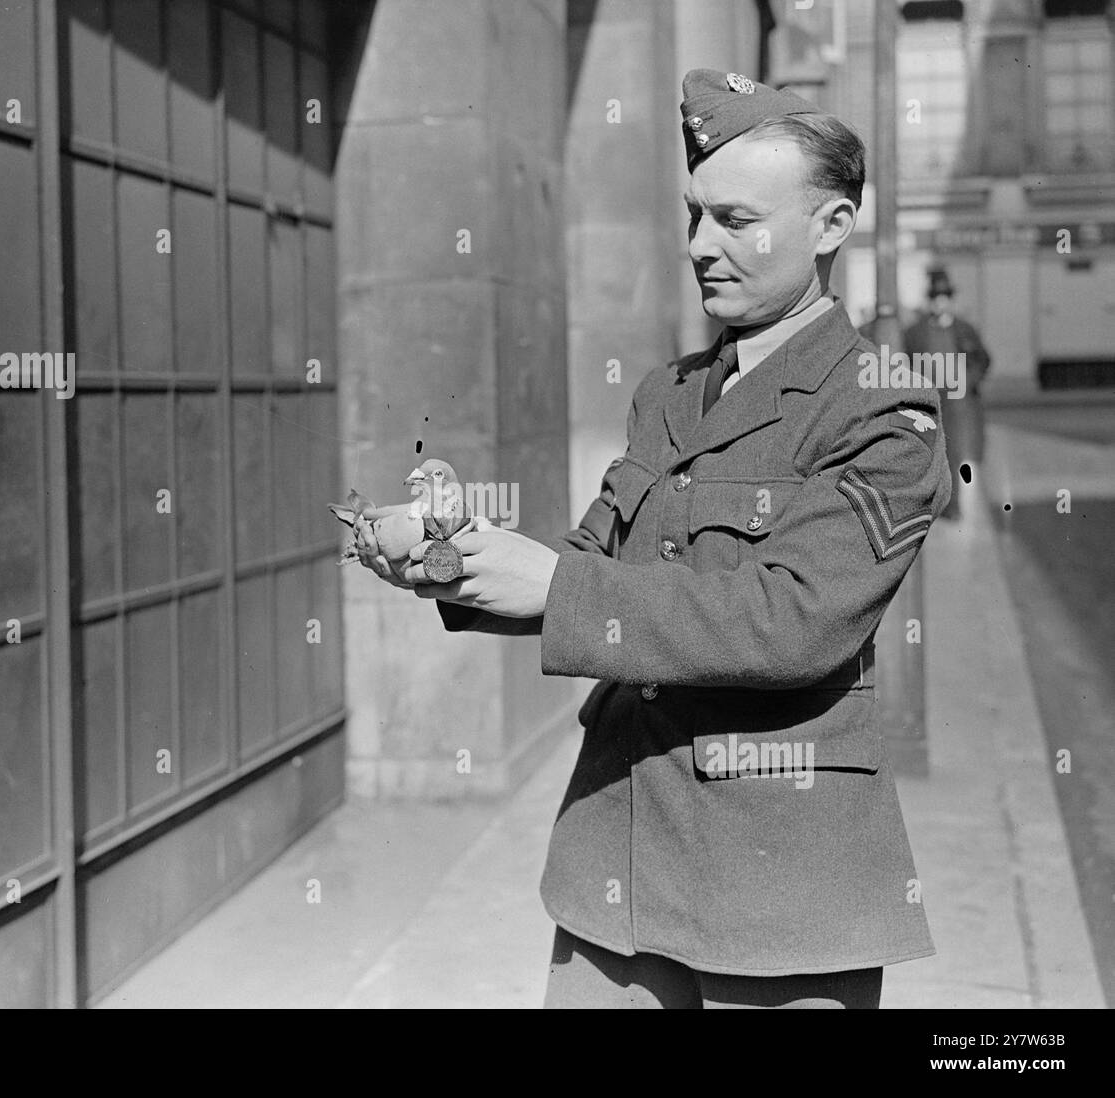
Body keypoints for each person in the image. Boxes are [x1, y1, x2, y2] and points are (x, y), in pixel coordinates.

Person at [355, 69, 951, 1008]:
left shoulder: (885, 408)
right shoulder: (666, 394)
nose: (700, 248)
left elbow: (791, 622)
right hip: (619, 862)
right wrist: (449, 551)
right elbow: (589, 567)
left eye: (737, 220)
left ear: (832, 226)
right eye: (693, 217)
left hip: (780, 895)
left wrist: (552, 586)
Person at [903, 268, 991, 519]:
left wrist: (969, 379)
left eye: (945, 297)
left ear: (951, 300)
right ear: (929, 300)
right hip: (926, 401)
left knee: (956, 453)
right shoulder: (915, 332)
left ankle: (953, 506)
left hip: (958, 403)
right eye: (935, 297)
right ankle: (928, 506)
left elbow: (983, 360)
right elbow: (904, 363)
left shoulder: (965, 330)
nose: (940, 302)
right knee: (926, 454)